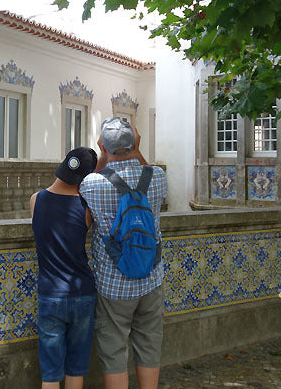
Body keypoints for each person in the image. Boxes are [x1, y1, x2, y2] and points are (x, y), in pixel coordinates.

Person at [79, 117, 168, 389]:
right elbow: (144, 167)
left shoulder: (92, 184)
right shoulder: (158, 177)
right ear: (135, 142)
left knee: (114, 350)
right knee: (149, 344)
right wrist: (136, 148)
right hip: (152, 278)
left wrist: (103, 155)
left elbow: (85, 215)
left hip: (113, 285)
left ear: (102, 146)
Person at [30, 146, 98, 389]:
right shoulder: (86, 208)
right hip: (82, 293)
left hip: (50, 294)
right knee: (76, 367)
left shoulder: (36, 200)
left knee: (50, 372)